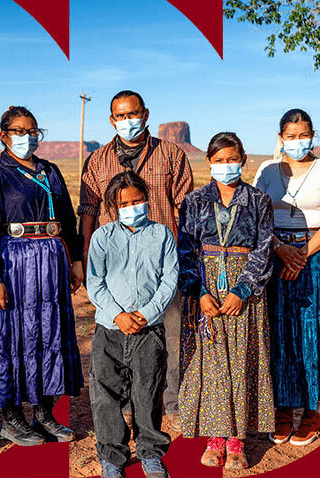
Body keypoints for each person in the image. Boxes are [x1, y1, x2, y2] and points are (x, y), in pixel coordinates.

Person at [0, 106, 83, 446]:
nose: (27, 137)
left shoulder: (50, 170)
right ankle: (12, 419)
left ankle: (45, 414)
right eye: (19, 131)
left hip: (52, 263)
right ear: (3, 135)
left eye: (33, 130)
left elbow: (66, 219)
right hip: (13, 266)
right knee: (10, 336)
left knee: (52, 334)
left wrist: (75, 259)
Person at [78, 90, 193, 429]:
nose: (128, 120)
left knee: (169, 337)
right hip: (113, 269)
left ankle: (170, 400)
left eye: (134, 114)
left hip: (161, 266)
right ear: (112, 120)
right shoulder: (97, 160)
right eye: (121, 116)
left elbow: (185, 209)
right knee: (118, 338)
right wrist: (83, 256)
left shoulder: (171, 154)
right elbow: (88, 210)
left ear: (145, 114)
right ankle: (127, 402)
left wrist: (185, 260)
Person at [177, 132, 274, 469]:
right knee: (214, 363)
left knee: (244, 358)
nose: (225, 166)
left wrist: (242, 290)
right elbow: (185, 252)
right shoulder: (193, 202)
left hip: (244, 292)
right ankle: (215, 437)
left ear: (243, 160)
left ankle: (237, 442)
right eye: (218, 160)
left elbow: (263, 250)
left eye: (232, 159)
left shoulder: (259, 201)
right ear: (208, 163)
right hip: (206, 290)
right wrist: (199, 292)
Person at [253, 109, 320, 446]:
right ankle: (281, 410)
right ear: (280, 139)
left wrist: (301, 254)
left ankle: (311, 412)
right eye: (290, 136)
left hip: (314, 257)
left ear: (313, 135)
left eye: (304, 135)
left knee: (312, 331)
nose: (298, 142)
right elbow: (255, 214)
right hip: (274, 256)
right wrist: (280, 248)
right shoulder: (266, 170)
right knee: (277, 331)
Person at [87, 171, 177, 478]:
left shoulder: (162, 235)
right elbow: (95, 283)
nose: (132, 206)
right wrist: (118, 315)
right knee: (106, 395)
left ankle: (150, 452)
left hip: (149, 330)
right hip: (109, 329)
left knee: (148, 391)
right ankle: (112, 458)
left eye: (138, 200)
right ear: (113, 207)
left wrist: (146, 314)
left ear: (148, 201)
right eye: (124, 202)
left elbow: (169, 279)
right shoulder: (102, 237)